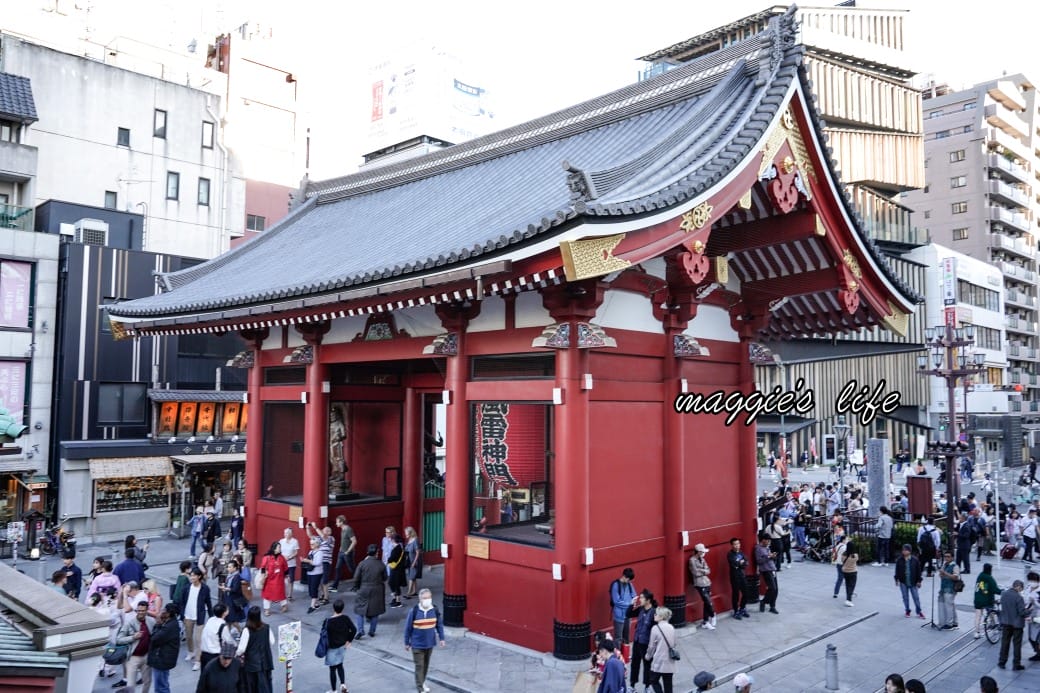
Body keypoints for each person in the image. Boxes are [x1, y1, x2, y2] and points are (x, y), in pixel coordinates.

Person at [403, 588, 445, 693]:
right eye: (424, 598)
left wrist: (442, 638)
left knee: (425, 665)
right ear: (420, 599)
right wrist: (406, 642)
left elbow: (439, 625)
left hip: (429, 643)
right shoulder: (414, 611)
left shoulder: (434, 610)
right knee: (419, 665)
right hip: (417, 644)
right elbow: (407, 628)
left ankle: (422, 682)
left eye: (429, 597)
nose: (427, 600)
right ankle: (420, 688)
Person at [176, 567, 212, 672]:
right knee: (188, 636)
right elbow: (181, 602)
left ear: (199, 576)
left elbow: (208, 602)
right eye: (191, 575)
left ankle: (198, 661)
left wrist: (212, 616)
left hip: (199, 616)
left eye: (193, 575)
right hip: (188, 616)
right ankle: (190, 651)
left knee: (198, 639)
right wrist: (182, 615)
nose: (191, 577)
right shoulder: (186, 588)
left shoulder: (205, 588)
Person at [115, 600, 155, 693]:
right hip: (133, 658)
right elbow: (119, 639)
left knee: (147, 681)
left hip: (146, 656)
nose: (140, 613)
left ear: (146, 610)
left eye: (143, 610)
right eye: (139, 610)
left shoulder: (151, 621)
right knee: (130, 686)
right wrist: (133, 637)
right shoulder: (129, 623)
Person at [236, 606, 275, 693]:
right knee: (265, 684)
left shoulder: (247, 630)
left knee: (253, 687)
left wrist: (236, 654)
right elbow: (272, 641)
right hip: (266, 661)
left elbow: (241, 649)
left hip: (252, 664)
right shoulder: (266, 627)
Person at [352, 544, 387, 638]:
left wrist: (356, 587)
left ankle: (360, 630)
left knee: (360, 609)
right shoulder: (381, 564)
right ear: (377, 553)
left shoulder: (362, 563)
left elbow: (356, 578)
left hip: (364, 587)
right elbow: (385, 577)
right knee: (375, 611)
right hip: (377, 589)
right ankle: (372, 631)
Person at [324, 599, 357, 693]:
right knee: (340, 665)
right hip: (342, 646)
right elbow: (354, 629)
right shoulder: (345, 618)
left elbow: (324, 635)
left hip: (332, 648)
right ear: (342, 608)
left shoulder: (328, 621)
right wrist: (349, 641)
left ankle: (334, 690)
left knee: (332, 669)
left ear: (333, 608)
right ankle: (343, 685)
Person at [147, 603, 180, 693]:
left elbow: (154, 639)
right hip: (163, 659)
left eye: (164, 610)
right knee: (161, 684)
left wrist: (157, 624)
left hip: (162, 660)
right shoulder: (170, 623)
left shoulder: (169, 627)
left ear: (168, 613)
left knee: (161, 686)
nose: (161, 611)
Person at [998, 579, 1029, 671]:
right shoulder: (1018, 598)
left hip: (1006, 623)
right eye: (1021, 589)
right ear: (1018, 587)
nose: (1021, 591)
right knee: (1017, 645)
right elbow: (1022, 612)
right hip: (1017, 625)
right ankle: (1016, 664)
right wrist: (1028, 610)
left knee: (1005, 643)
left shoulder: (1004, 594)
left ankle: (1002, 662)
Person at [629, 589, 656, 692]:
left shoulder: (653, 612)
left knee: (647, 664)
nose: (640, 599)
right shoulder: (640, 609)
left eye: (642, 598)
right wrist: (632, 604)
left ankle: (647, 686)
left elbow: (655, 630)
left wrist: (653, 645)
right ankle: (632, 685)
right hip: (637, 640)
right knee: (634, 663)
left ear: (648, 600)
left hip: (646, 643)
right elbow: (629, 614)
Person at [645, 606, 677, 693]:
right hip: (669, 660)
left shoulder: (655, 629)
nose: (654, 615)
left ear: (662, 617)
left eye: (656, 614)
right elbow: (674, 643)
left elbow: (651, 646)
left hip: (659, 660)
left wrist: (648, 656)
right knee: (668, 685)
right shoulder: (671, 627)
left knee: (653, 680)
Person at [198, 603, 238, 672]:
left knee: (204, 675)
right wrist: (236, 645)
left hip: (204, 653)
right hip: (214, 655)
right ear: (224, 613)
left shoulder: (210, 620)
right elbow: (229, 640)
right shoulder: (222, 626)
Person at [893, 544, 925, 619]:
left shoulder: (915, 560)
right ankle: (907, 610)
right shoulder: (899, 560)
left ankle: (919, 611)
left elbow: (918, 571)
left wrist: (919, 581)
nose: (903, 551)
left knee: (916, 597)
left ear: (909, 551)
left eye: (905, 550)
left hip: (913, 581)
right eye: (903, 550)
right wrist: (896, 579)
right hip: (903, 581)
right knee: (905, 597)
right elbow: (897, 570)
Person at [688, 543, 716, 630]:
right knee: (707, 601)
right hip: (699, 583)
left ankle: (706, 621)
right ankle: (712, 614)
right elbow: (695, 573)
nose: (703, 553)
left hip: (706, 582)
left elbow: (709, 570)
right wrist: (704, 571)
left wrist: (702, 571)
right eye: (702, 551)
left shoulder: (702, 559)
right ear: (698, 552)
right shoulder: (692, 560)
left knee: (706, 602)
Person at [259, 540, 289, 616]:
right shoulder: (267, 557)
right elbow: (262, 567)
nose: (280, 548)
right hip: (269, 580)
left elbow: (285, 568)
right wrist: (262, 576)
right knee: (267, 595)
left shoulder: (281, 557)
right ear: (274, 548)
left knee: (281, 594)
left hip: (279, 579)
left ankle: (284, 606)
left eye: (280, 547)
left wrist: (287, 576)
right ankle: (267, 609)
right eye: (279, 547)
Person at [609, 567, 637, 642]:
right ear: (624, 576)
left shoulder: (629, 584)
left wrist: (634, 601)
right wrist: (629, 604)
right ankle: (618, 653)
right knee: (618, 637)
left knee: (626, 636)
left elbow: (634, 595)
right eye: (628, 579)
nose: (629, 581)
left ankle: (625, 653)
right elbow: (617, 601)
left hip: (628, 614)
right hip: (619, 615)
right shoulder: (616, 585)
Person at [330, 515, 357, 593]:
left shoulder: (348, 529)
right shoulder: (342, 529)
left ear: (342, 522)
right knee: (338, 568)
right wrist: (340, 549)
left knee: (352, 569)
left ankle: (357, 585)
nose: (336, 524)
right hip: (342, 552)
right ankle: (335, 586)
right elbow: (344, 540)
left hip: (347, 553)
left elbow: (354, 541)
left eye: (337, 522)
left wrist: (348, 551)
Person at [972, 563, 1000, 640]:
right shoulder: (989, 578)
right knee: (991, 614)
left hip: (977, 599)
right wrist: (1002, 592)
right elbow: (995, 590)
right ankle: (994, 628)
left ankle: (976, 633)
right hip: (987, 600)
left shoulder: (980, 576)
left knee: (978, 616)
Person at [754, 533, 779, 614]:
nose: (768, 542)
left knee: (776, 589)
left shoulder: (767, 547)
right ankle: (764, 601)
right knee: (772, 588)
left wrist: (773, 556)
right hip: (766, 570)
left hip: (772, 569)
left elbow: (770, 558)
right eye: (767, 540)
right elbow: (759, 561)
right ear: (763, 540)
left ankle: (772, 606)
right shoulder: (758, 549)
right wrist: (768, 557)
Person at [219, 559, 248, 626]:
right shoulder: (230, 575)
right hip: (228, 598)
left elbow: (234, 589)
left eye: (230, 567)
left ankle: (239, 631)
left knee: (232, 618)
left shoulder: (236, 577)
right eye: (228, 567)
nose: (228, 568)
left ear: (235, 568)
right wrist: (225, 585)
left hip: (232, 600)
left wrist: (225, 588)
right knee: (229, 618)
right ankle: (230, 631)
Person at [727, 538, 749, 620]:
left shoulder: (741, 553)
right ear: (732, 545)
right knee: (735, 594)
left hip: (742, 575)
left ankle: (742, 608)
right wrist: (740, 563)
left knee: (746, 593)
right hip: (735, 577)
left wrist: (740, 563)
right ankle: (736, 611)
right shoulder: (730, 554)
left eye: (738, 543)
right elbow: (734, 564)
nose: (737, 545)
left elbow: (746, 563)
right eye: (735, 544)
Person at [303, 537, 326, 614]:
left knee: (313, 589)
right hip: (310, 572)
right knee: (310, 590)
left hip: (317, 573)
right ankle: (316, 604)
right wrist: (305, 561)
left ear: (317, 544)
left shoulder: (320, 552)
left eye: (313, 543)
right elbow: (310, 561)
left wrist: (308, 561)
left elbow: (317, 563)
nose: (311, 545)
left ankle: (312, 606)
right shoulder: (311, 552)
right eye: (310, 543)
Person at [937, 550, 960, 630]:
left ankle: (949, 623)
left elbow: (956, 577)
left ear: (952, 557)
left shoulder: (955, 566)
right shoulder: (945, 565)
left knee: (949, 606)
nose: (946, 558)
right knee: (951, 605)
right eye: (945, 556)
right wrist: (941, 574)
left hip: (950, 589)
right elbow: (941, 575)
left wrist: (945, 573)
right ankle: (954, 622)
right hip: (944, 588)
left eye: (948, 556)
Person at [279, 527, 300, 602]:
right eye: (285, 533)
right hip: (282, 563)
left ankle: (289, 595)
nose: (286, 534)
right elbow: (278, 550)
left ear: (291, 534)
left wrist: (290, 557)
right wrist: (282, 556)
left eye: (287, 533)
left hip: (291, 564)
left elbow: (296, 552)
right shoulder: (281, 541)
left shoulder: (295, 541)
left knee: (290, 580)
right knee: (281, 579)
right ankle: (280, 594)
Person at [839, 537, 858, 607]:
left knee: (847, 585)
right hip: (853, 572)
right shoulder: (855, 556)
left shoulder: (844, 554)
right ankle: (848, 599)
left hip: (845, 571)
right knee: (852, 585)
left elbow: (842, 560)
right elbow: (856, 560)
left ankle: (849, 596)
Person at [404, 526, 421, 599]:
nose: (406, 535)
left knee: (411, 577)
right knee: (412, 576)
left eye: (407, 534)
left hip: (414, 560)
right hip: (409, 561)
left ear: (411, 533)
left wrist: (414, 562)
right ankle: (414, 591)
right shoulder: (409, 540)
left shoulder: (415, 540)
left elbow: (418, 552)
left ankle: (408, 592)